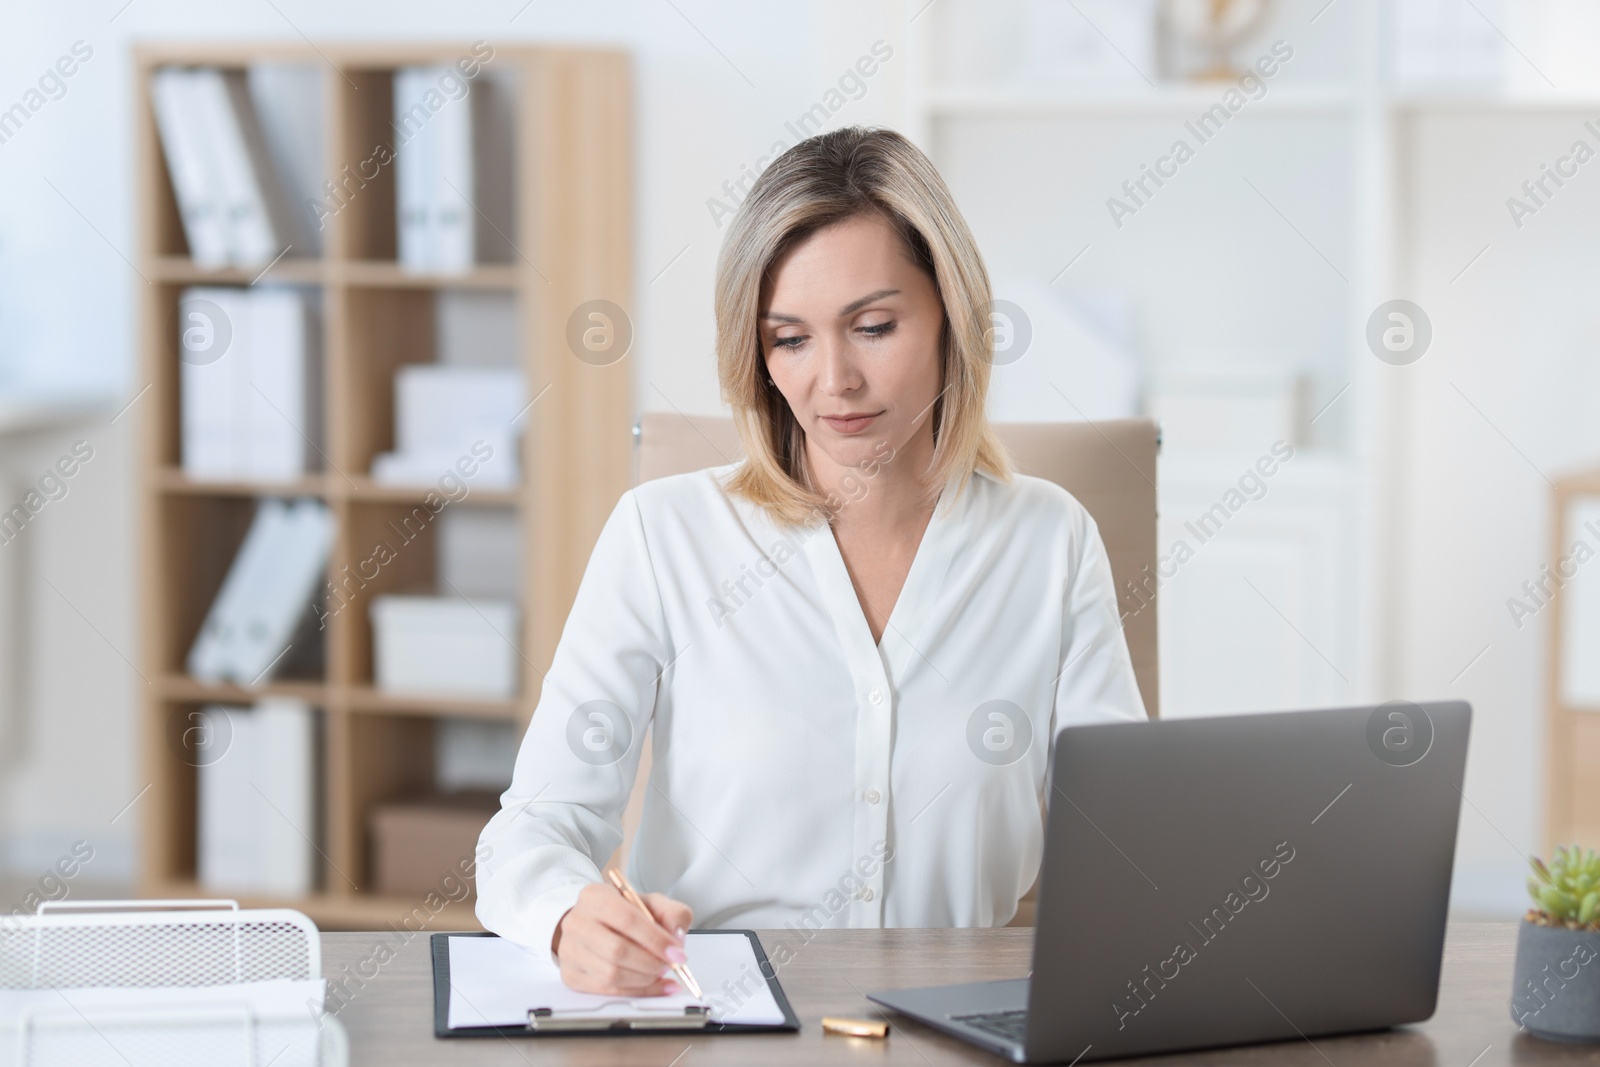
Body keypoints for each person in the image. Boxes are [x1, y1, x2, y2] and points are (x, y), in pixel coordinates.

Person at [475, 126, 1146, 997]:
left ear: (954, 316)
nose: (834, 380)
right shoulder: (662, 535)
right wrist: (570, 917)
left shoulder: (1048, 542)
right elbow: (531, 831)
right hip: (717, 1026)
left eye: (873, 326)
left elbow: (1130, 842)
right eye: (789, 339)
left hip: (950, 1028)